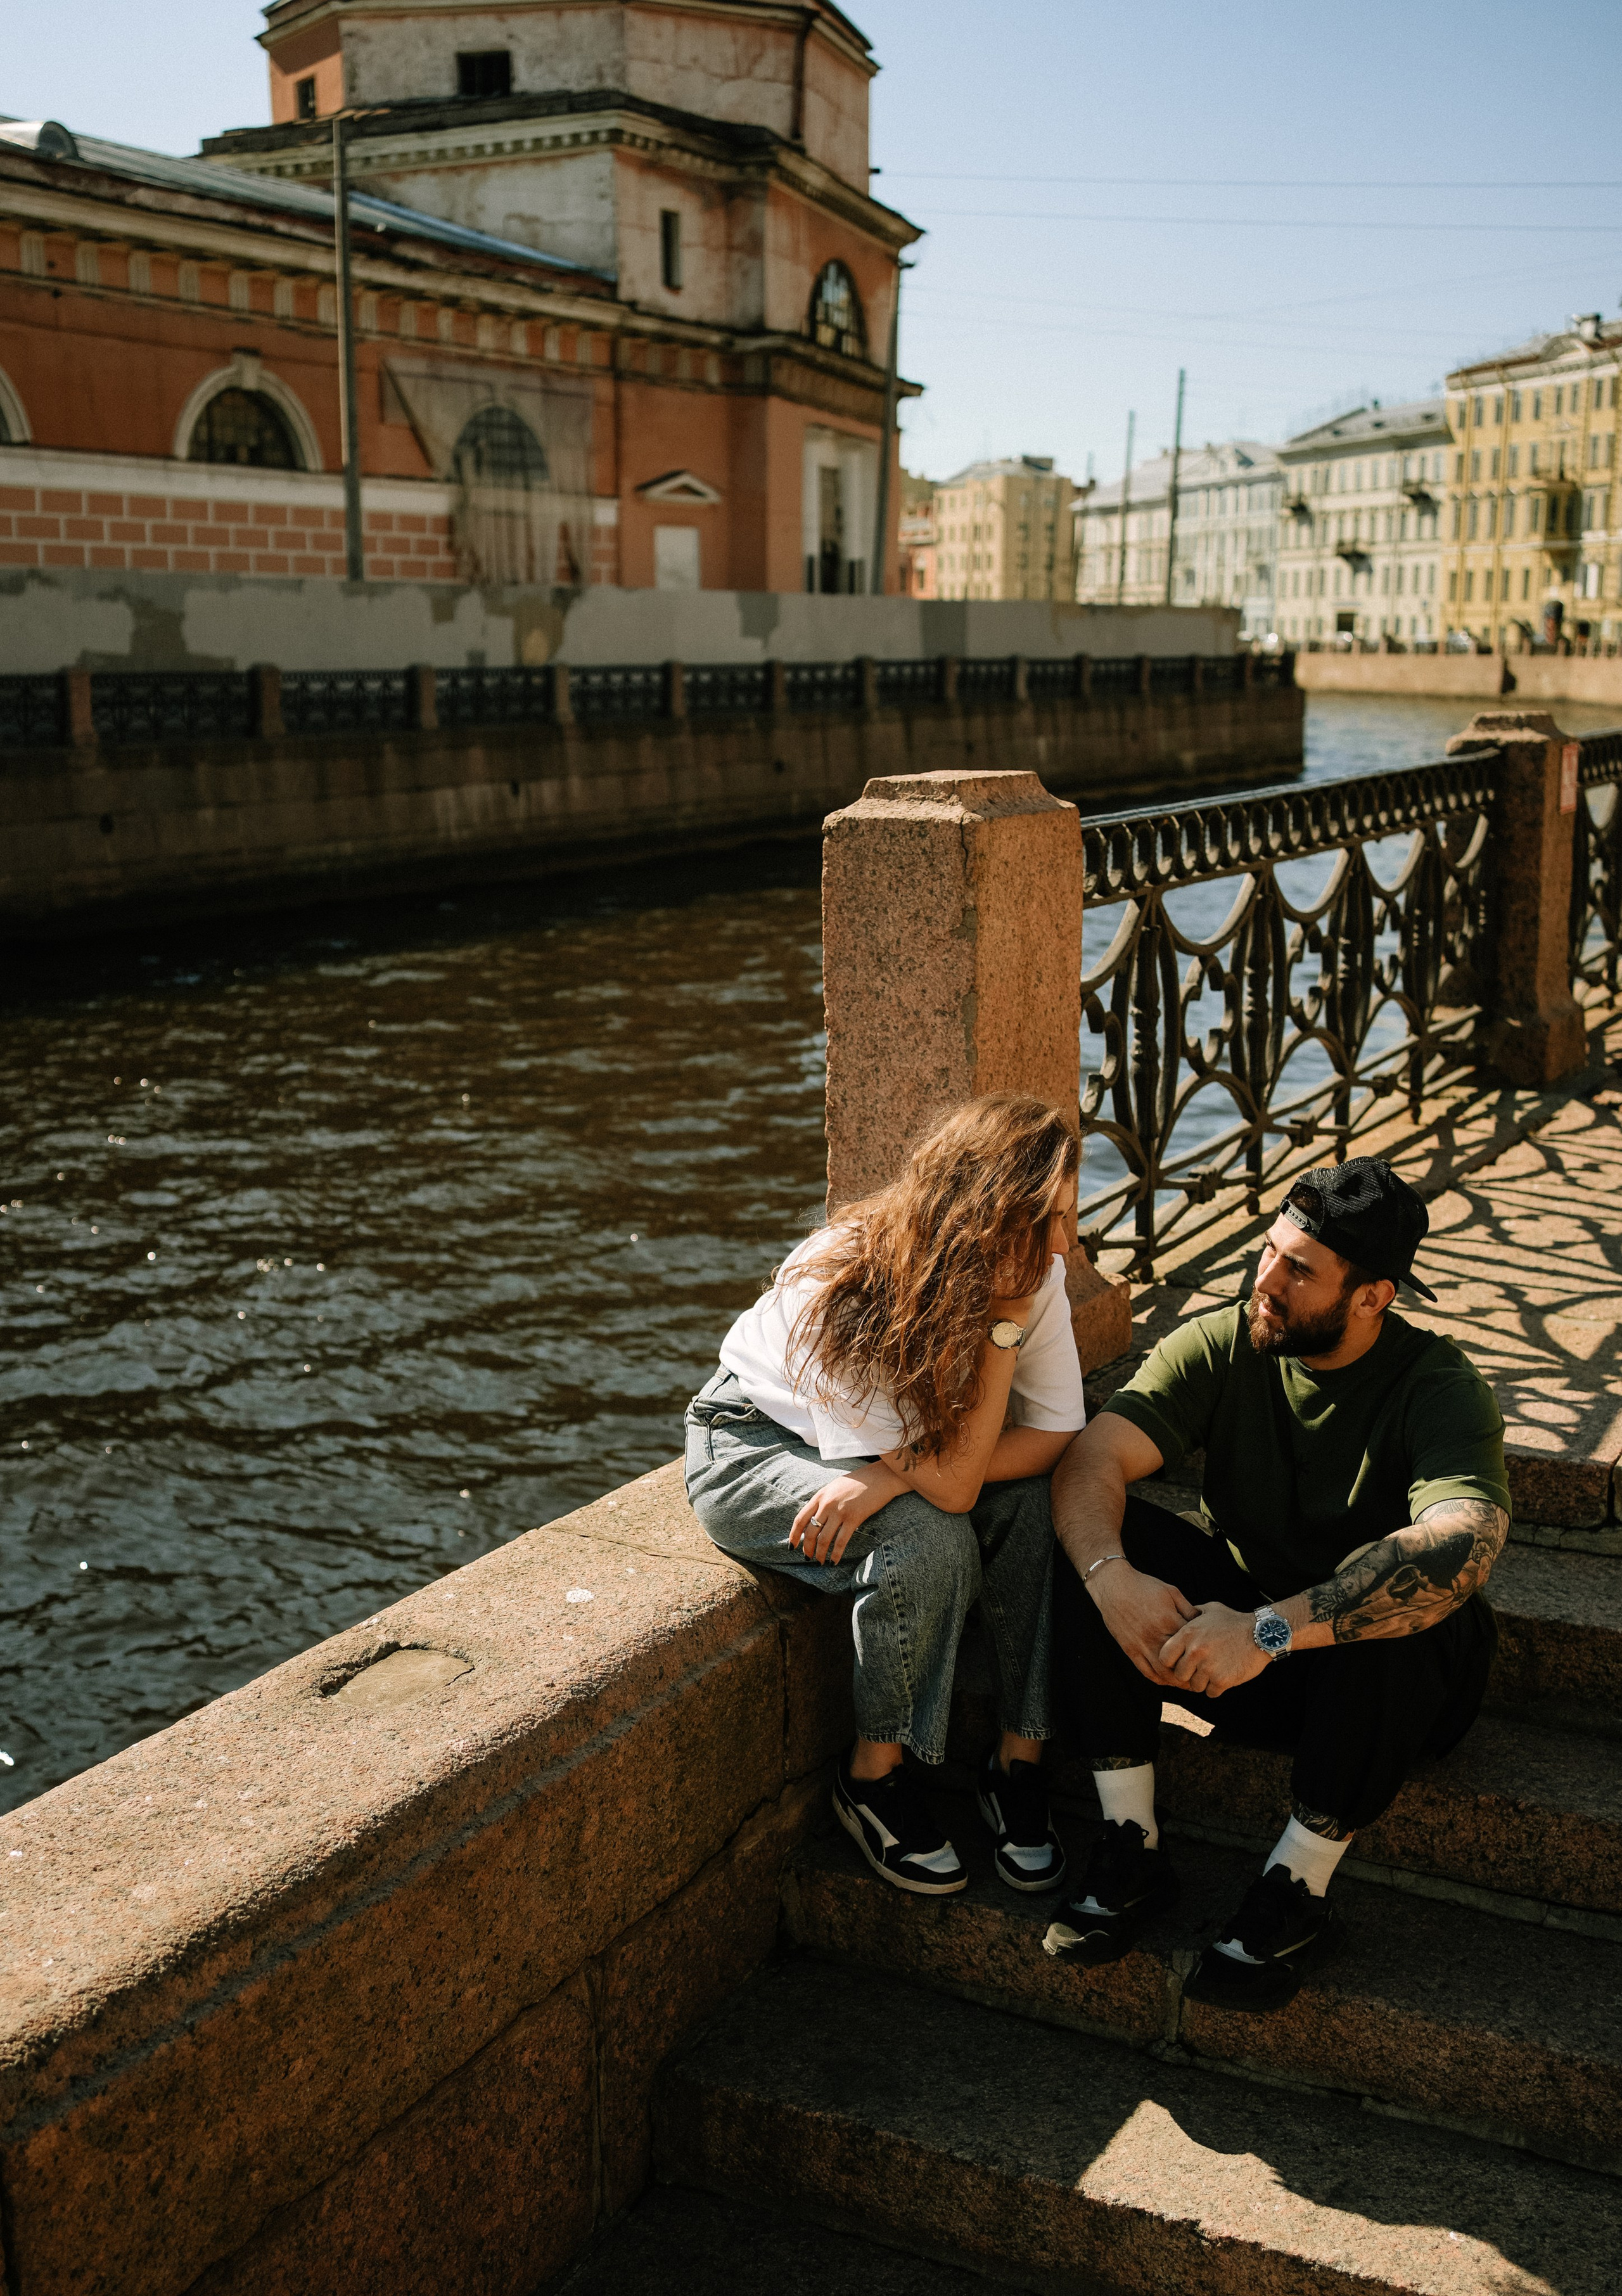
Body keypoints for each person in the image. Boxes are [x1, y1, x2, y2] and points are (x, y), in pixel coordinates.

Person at [1044, 1158, 1510, 2012]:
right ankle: (1130, 1844)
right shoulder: (1228, 1340)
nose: (1264, 1279)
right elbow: (1093, 1457)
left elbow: (1464, 1542)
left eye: (1298, 1269)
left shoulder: (1439, 1386)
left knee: (1407, 1593)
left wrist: (1266, 1631)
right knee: (1102, 1534)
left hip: (1378, 1684)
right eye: (1267, 1250)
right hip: (1242, 1654)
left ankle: (1295, 1888)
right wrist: (1112, 1581)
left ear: (1372, 1296)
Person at [684, 1096, 1087, 1898]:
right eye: (1044, 1219)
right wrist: (998, 1336)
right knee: (924, 1541)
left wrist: (888, 1472)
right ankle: (870, 1776)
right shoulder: (845, 1275)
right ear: (977, 1214)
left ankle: (1017, 1758)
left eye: (1069, 1217)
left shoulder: (1027, 1272)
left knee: (1037, 1503)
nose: (1062, 1245)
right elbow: (952, 1487)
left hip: (900, 1455)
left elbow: (1052, 1433)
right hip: (754, 1441)